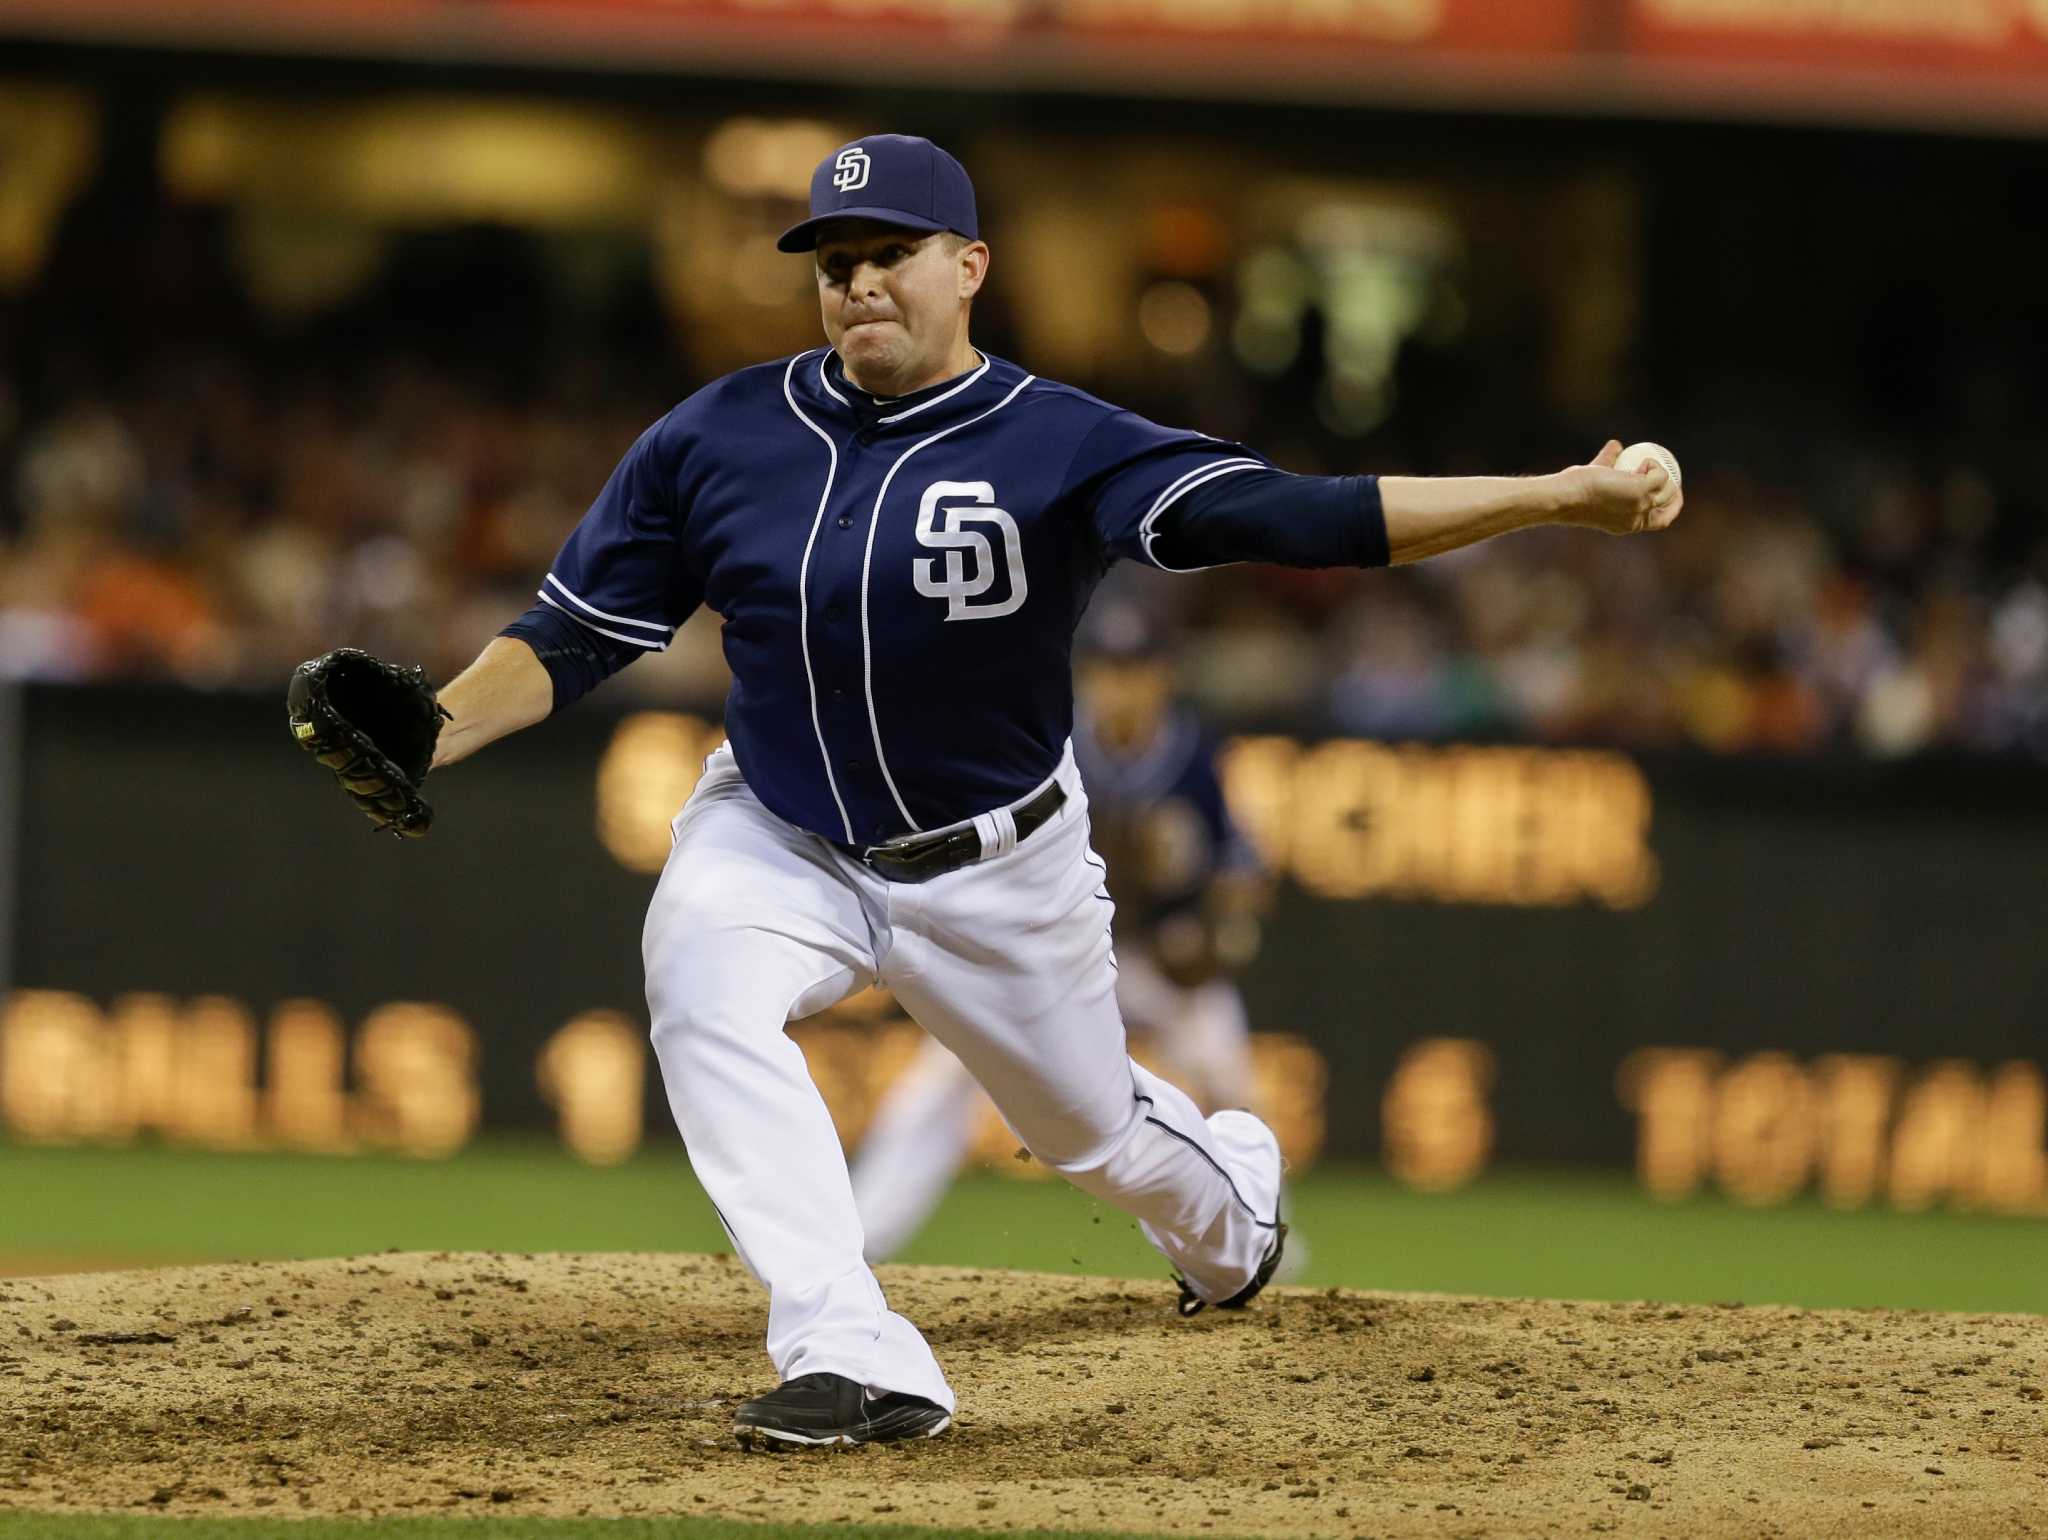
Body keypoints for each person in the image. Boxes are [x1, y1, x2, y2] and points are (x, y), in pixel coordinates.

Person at [424, 133, 1683, 1449]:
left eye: (889, 256)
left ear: (968, 267)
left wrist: (1557, 497)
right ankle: (847, 1347)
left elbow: (1298, 517)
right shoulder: (719, 435)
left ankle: (1236, 1214)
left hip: (996, 869)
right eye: (835, 261)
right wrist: (434, 732)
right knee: (698, 976)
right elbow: (574, 632)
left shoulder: (1057, 441)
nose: (857, 283)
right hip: (780, 828)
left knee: (1099, 1142)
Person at [849, 602, 1280, 1264]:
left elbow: (1241, 871)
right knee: (942, 1076)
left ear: (1163, 677)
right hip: (1054, 955)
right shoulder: (1051, 740)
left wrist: (1217, 936)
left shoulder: (1193, 756)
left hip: (1156, 960)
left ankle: (1258, 1244)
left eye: (1135, 669)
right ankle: (861, 1239)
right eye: (1109, 669)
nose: (1120, 685)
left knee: (1231, 1084)